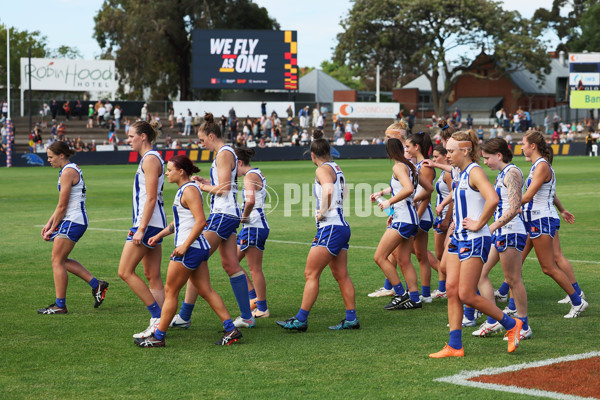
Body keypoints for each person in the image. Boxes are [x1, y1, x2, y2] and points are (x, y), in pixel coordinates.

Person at [429, 130, 523, 358]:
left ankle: (512, 324)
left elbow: (493, 198)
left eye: (451, 151)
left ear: (465, 150)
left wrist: (480, 222)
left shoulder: (475, 171)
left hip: (475, 239)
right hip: (459, 238)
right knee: (451, 290)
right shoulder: (460, 172)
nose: (447, 155)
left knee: (467, 295)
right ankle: (455, 346)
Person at [134, 155, 242, 347]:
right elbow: (182, 221)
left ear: (181, 172)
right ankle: (231, 329)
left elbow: (201, 221)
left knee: (170, 291)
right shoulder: (185, 190)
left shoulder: (189, 190)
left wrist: (183, 246)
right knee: (206, 290)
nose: (166, 173)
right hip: (195, 248)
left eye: (169, 170)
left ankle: (158, 337)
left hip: (189, 249)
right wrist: (159, 235)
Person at [170, 113, 254, 329]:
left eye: (202, 140)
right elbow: (224, 183)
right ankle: (246, 316)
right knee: (230, 264)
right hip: (228, 214)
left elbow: (224, 189)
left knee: (194, 258)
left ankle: (184, 316)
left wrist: (201, 187)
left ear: (211, 135)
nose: (201, 144)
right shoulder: (225, 154)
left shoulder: (224, 154)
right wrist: (206, 181)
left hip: (223, 214)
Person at [276, 130, 358, 331]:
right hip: (341, 226)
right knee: (341, 274)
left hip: (330, 228)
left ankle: (300, 320)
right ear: (329, 152)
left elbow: (329, 190)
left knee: (311, 273)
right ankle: (351, 319)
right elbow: (343, 191)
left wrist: (322, 212)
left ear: (312, 155)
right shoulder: (337, 167)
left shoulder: (321, 169)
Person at [520, 130, 588, 318]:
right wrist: (562, 209)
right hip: (534, 219)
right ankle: (510, 302)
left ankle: (577, 300)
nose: (521, 147)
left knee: (548, 266)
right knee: (517, 262)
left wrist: (507, 204)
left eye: (523, 144)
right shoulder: (538, 166)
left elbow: (528, 196)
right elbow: (549, 193)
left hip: (540, 219)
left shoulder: (541, 166)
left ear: (533, 146)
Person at [38, 141, 109, 314]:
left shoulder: (68, 172)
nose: (49, 160)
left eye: (51, 157)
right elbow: (62, 205)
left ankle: (60, 305)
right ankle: (97, 285)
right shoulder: (69, 169)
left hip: (73, 220)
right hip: (73, 219)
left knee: (57, 261)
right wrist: (49, 224)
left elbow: (63, 206)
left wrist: (51, 228)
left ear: (61, 155)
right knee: (61, 261)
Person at [474, 138, 530, 340]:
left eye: (487, 158)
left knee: (513, 280)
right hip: (501, 231)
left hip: (511, 232)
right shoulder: (502, 174)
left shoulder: (512, 173)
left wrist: (491, 226)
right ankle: (493, 320)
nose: (485, 162)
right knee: (480, 273)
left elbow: (515, 207)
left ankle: (523, 325)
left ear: (499, 155)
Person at [118, 121, 167, 339]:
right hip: (154, 223)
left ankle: (156, 317)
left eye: (130, 136)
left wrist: (141, 229)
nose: (128, 140)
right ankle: (163, 322)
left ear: (143, 137)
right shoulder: (151, 158)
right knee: (152, 275)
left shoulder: (150, 159)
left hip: (146, 224)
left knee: (125, 271)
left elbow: (151, 197)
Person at [369, 137, 422, 310]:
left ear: (389, 152)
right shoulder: (408, 165)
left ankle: (400, 294)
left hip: (403, 219)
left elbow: (408, 189)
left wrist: (388, 202)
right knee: (403, 259)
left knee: (380, 257)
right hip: (411, 218)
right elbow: (401, 186)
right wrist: (382, 192)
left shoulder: (398, 166)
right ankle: (415, 298)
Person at [235, 148, 270, 318]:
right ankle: (254, 298)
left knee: (254, 269)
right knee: (231, 262)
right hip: (253, 226)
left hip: (253, 226)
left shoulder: (250, 176)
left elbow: (250, 200)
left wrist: (243, 217)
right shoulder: (256, 173)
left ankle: (262, 308)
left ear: (239, 163)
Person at [405, 132, 436, 303]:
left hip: (421, 215)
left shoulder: (425, 166)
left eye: (408, 146)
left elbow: (427, 195)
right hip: (419, 214)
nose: (406, 149)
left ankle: (414, 293)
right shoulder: (417, 165)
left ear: (417, 147)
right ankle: (425, 294)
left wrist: (415, 217)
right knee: (421, 255)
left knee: (402, 253)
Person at [430, 144, 452, 299]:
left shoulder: (449, 174)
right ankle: (442, 288)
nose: (434, 159)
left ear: (445, 157)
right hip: (441, 216)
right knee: (440, 255)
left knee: (443, 256)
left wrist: (447, 219)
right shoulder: (444, 172)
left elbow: (454, 198)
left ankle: (447, 287)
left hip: (447, 217)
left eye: (437, 156)